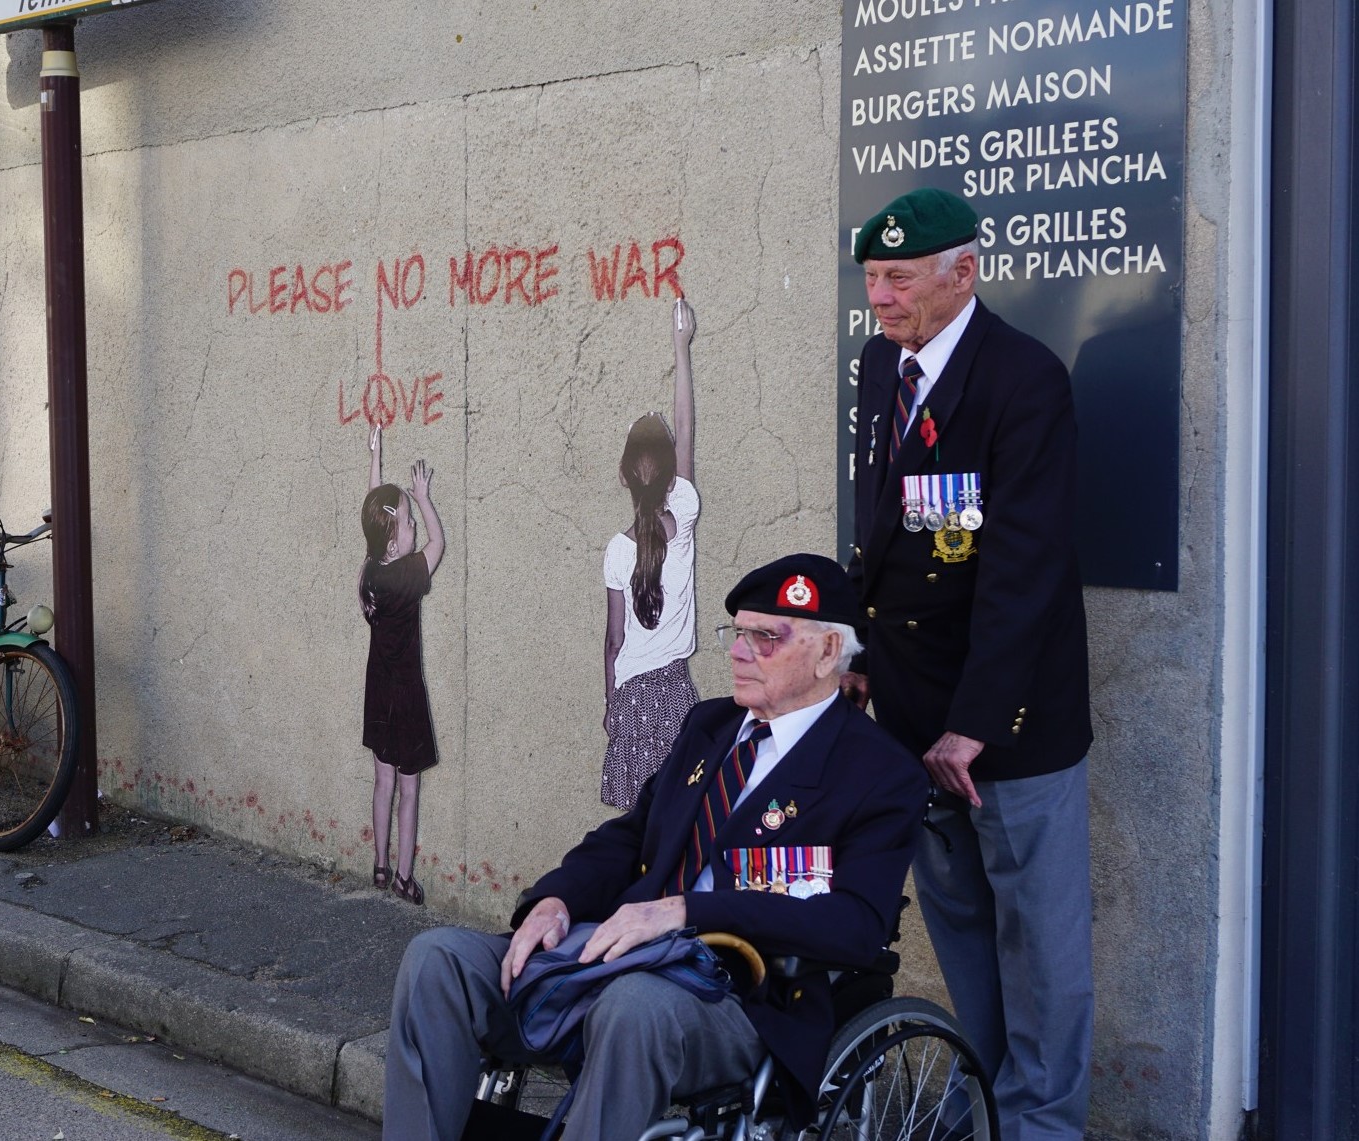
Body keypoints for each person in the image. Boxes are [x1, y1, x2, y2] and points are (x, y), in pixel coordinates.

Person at [384, 554, 926, 1141]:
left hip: (740, 999)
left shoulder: (876, 771)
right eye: (737, 634)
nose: (740, 653)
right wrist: (556, 899)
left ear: (827, 654)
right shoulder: (710, 726)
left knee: (633, 1005)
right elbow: (631, 836)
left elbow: (855, 926)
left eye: (765, 638)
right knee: (439, 960)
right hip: (615, 955)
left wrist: (685, 911)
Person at [842, 187, 1095, 1141]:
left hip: (1007, 730)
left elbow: (1023, 569)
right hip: (910, 717)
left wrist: (975, 720)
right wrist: (855, 648)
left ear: (963, 274)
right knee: (964, 938)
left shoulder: (1021, 381)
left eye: (899, 278)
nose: (881, 297)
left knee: (1042, 949)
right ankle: (979, 1099)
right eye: (871, 277)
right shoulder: (880, 366)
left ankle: (1040, 1125)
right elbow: (882, 526)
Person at [601, 297, 701, 810]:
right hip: (674, 693)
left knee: (637, 824)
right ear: (669, 477)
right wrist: (680, 349)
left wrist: (611, 701)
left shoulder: (617, 550)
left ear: (622, 476)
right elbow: (685, 433)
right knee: (679, 818)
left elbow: (615, 639)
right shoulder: (681, 518)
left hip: (631, 695)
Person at [360, 423, 446, 905]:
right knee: (408, 789)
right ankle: (404, 878)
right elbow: (438, 542)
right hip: (406, 695)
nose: (413, 526)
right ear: (395, 542)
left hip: (378, 690)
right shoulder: (410, 574)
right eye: (407, 523)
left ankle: (378, 865)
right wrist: (423, 497)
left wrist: (375, 460)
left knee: (382, 780)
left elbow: (375, 515)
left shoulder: (372, 570)